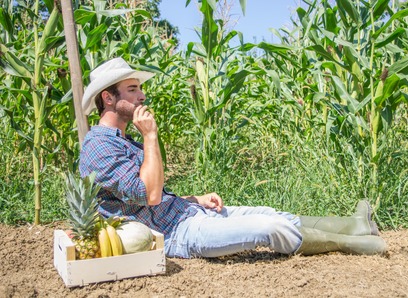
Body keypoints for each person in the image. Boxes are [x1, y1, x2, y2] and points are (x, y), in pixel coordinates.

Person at [79, 58, 387, 258]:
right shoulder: (98, 148)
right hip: (176, 235)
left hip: (188, 213)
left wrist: (193, 198)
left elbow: (141, 201)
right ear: (109, 97)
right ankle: (348, 244)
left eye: (140, 89)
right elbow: (151, 193)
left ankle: (356, 224)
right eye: (132, 89)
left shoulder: (121, 140)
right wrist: (150, 136)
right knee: (265, 229)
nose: (142, 95)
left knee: (271, 212)